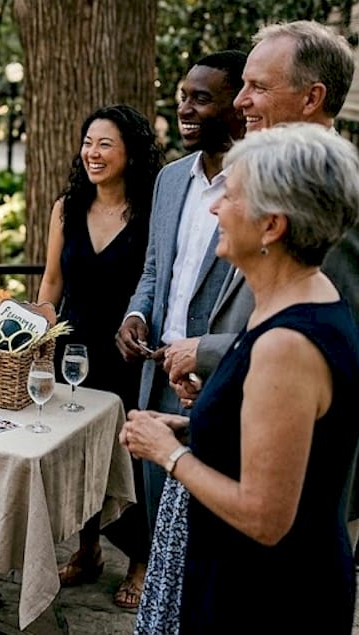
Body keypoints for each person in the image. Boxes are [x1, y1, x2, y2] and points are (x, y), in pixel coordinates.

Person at [123, 123, 359, 633]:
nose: (214, 208)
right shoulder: (297, 299)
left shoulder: (286, 345)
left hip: (271, 597)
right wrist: (197, 420)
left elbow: (265, 517)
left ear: (271, 225)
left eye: (230, 195)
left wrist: (167, 452)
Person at [112, 51, 247, 560]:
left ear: (239, 107)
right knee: (158, 523)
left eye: (202, 99)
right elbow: (153, 270)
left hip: (218, 384)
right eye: (182, 97)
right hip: (157, 378)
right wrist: (135, 314)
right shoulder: (170, 180)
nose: (185, 109)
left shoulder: (259, 187)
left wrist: (208, 353)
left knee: (210, 537)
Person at [36, 105, 162, 607]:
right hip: (73, 353)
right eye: (88, 142)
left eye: (105, 144)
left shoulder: (153, 211)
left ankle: (140, 560)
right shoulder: (66, 208)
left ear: (130, 152)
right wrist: (37, 329)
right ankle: (88, 550)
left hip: (128, 354)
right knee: (81, 454)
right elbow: (51, 284)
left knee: (131, 455)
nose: (93, 153)